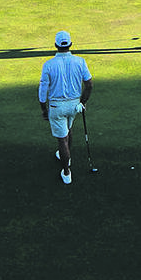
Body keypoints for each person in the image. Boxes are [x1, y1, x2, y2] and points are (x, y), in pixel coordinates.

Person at [37, 30, 93, 185]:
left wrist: (43, 109)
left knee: (62, 140)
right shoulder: (80, 61)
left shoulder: (48, 64)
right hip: (74, 105)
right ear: (70, 44)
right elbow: (89, 85)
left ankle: (66, 171)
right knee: (68, 130)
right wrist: (83, 102)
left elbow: (43, 90)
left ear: (55, 45)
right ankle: (67, 156)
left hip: (57, 106)